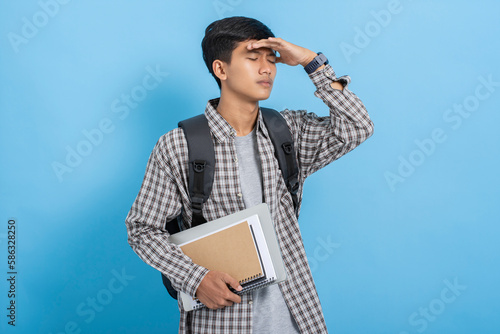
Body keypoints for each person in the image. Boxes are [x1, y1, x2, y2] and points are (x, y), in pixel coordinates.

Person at [125, 16, 374, 333]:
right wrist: (195, 278)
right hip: (221, 322)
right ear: (221, 69)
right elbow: (142, 229)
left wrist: (313, 64)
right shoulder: (179, 147)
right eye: (252, 57)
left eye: (271, 60)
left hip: (296, 316)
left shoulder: (287, 132)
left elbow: (357, 127)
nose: (267, 68)